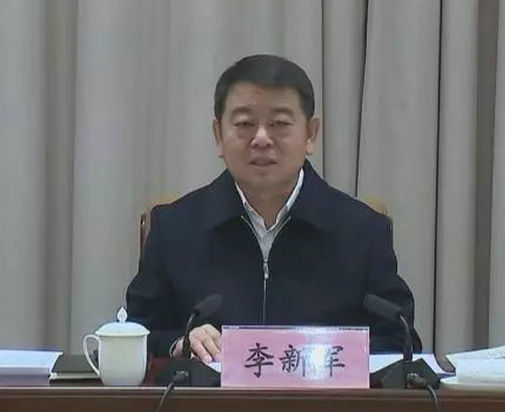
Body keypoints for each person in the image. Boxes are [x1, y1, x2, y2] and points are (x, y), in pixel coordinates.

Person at [126, 54, 421, 362]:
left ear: (310, 135)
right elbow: (135, 334)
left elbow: (399, 340)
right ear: (218, 136)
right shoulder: (174, 228)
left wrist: (332, 354)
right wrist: (179, 344)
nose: (261, 139)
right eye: (244, 124)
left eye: (279, 124)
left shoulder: (362, 230)